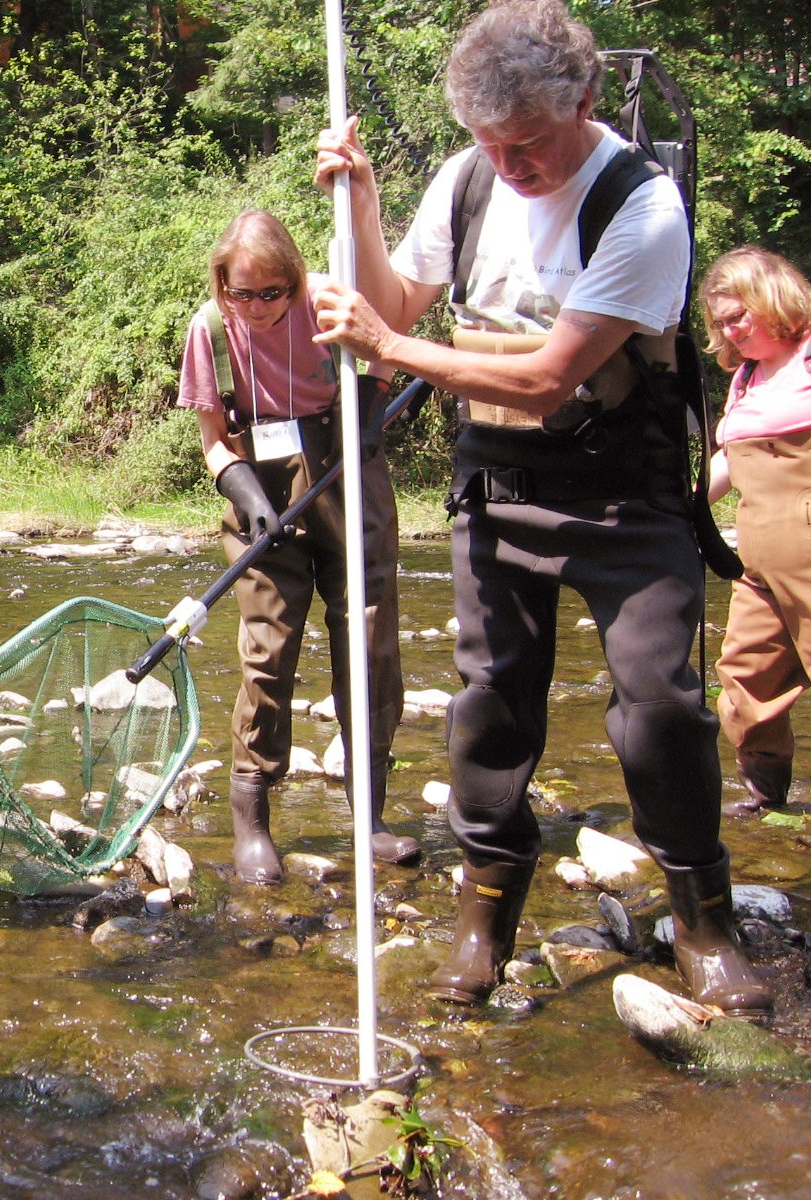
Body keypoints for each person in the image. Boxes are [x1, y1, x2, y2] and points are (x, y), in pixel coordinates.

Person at [312, 0, 772, 1017]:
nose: (509, 166)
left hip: (626, 496)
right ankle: (484, 914)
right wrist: (360, 198)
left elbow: (548, 377)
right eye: (490, 142)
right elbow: (393, 305)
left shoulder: (642, 207)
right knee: (489, 706)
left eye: (527, 144)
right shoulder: (467, 179)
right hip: (497, 486)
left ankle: (703, 918)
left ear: (587, 99)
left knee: (658, 706)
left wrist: (383, 353)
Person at [176, 209, 420, 883]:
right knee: (269, 649)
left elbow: (385, 352)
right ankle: (251, 818)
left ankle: (368, 814)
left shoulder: (330, 303)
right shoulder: (210, 328)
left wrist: (368, 413)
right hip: (259, 481)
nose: (254, 307)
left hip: (347, 469)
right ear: (222, 283)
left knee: (367, 640)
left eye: (271, 293)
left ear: (294, 278)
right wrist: (247, 495)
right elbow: (212, 441)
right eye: (240, 292)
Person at [700, 247, 811, 817]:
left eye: (738, 314)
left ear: (774, 298)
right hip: (759, 563)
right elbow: (728, 460)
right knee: (744, 675)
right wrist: (684, 507)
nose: (729, 330)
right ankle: (767, 798)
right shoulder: (745, 378)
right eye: (720, 321)